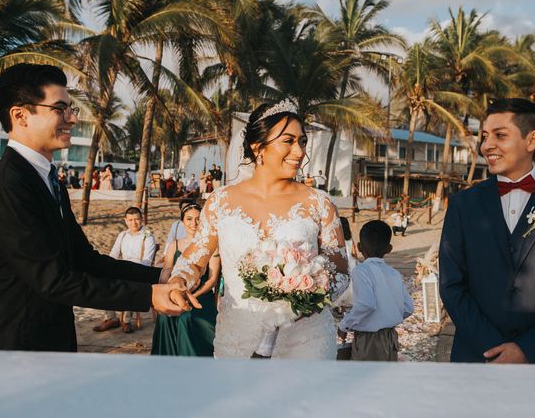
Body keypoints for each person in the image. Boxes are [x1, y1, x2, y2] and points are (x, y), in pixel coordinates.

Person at [0, 64, 189, 352]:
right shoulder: (4, 186)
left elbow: (85, 260)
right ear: (20, 115)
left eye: (71, 108)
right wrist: (150, 296)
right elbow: (53, 280)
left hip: (55, 337)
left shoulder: (49, 181)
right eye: (60, 109)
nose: (72, 118)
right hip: (16, 344)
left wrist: (159, 276)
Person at [168, 99, 349, 359]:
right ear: (258, 148)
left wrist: (308, 295)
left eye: (302, 141)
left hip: (306, 341)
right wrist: (179, 280)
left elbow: (341, 270)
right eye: (288, 141)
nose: (299, 152)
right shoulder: (221, 201)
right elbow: (196, 257)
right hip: (239, 338)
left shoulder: (319, 203)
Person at [439, 98, 535, 365]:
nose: (487, 145)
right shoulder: (462, 204)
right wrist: (491, 346)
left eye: (500, 135)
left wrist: (527, 349)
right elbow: (452, 285)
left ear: (532, 140)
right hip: (477, 357)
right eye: (485, 136)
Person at [338, 220, 413, 361]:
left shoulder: (361, 271)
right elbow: (408, 307)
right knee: (387, 380)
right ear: (389, 249)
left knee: (366, 379)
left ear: (359, 247)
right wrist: (388, 318)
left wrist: (344, 325)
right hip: (390, 337)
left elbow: (366, 305)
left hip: (368, 340)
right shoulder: (393, 273)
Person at [152, 203, 220, 356]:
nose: (193, 223)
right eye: (189, 219)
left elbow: (212, 280)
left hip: (202, 295)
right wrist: (164, 290)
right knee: (164, 316)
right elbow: (166, 271)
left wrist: (192, 297)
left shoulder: (212, 246)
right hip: (175, 291)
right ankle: (167, 363)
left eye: (198, 219)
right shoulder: (174, 245)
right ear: (182, 221)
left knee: (186, 318)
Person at [94, 207, 158, 334]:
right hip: (122, 267)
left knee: (130, 280)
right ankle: (111, 318)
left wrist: (128, 270)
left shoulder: (148, 236)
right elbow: (113, 254)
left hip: (139, 269)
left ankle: (126, 320)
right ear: (125, 221)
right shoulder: (122, 235)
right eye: (130, 220)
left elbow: (146, 261)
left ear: (142, 219)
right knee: (103, 278)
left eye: (137, 219)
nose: (134, 223)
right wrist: (108, 268)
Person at [334, 216, 358, 308]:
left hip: (342, 260)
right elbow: (354, 253)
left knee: (341, 279)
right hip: (351, 261)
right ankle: (350, 300)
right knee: (351, 281)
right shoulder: (350, 239)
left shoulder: (337, 239)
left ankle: (340, 300)